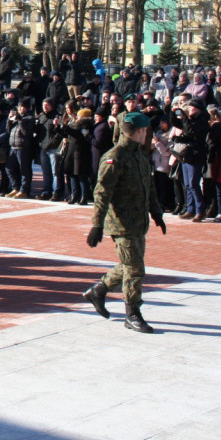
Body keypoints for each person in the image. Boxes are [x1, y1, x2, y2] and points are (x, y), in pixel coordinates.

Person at [83, 111, 166, 334]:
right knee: (135, 268)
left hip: (138, 221)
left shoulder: (139, 155)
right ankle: (132, 314)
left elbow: (148, 187)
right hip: (121, 223)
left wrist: (156, 213)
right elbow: (101, 192)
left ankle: (98, 291)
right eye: (145, 131)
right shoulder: (115, 157)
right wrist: (97, 224)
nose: (146, 134)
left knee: (130, 264)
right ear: (139, 131)